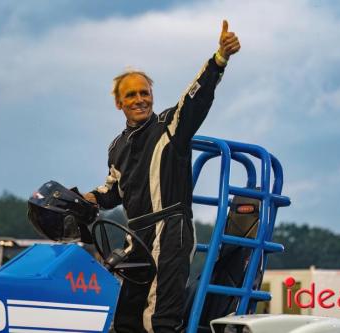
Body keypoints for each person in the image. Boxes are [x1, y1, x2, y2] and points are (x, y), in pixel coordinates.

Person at [84, 20, 240, 333]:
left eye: (145, 92)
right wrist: (87, 199)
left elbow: (196, 97)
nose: (140, 99)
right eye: (131, 95)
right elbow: (112, 191)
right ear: (119, 103)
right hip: (136, 235)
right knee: (125, 320)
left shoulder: (171, 125)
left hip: (171, 231)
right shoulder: (116, 146)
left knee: (158, 322)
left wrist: (219, 59)